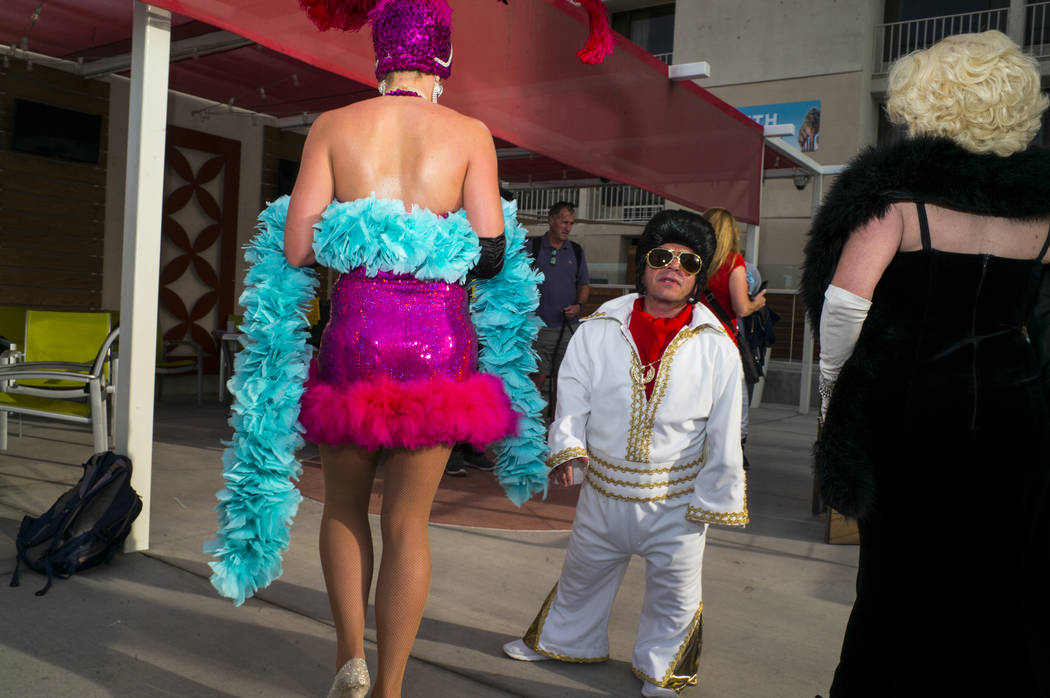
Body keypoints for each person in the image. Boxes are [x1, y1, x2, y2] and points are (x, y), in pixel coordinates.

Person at [204, 2, 549, 697]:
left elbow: (298, 249)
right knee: (407, 524)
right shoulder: (470, 133)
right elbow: (489, 255)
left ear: (380, 56)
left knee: (342, 508)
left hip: (355, 340)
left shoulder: (334, 127)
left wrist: (353, 230)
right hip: (439, 347)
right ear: (442, 60)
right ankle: (391, 689)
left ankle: (349, 662)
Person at [800, 31, 1050, 697]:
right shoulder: (1041, 210)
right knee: (1003, 576)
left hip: (913, 406)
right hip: (1016, 404)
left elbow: (843, 312)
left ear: (932, 104)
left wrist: (834, 412)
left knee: (899, 577)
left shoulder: (896, 201)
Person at [503, 210, 748, 697]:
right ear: (644, 265)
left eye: (687, 260)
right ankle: (563, 639)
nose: (672, 267)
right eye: (661, 256)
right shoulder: (600, 327)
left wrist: (717, 493)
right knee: (581, 575)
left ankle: (662, 670)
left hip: (676, 501)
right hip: (603, 493)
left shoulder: (718, 345)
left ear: (698, 274)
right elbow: (571, 391)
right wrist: (569, 448)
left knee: (675, 595)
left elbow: (728, 425)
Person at [700, 207, 766, 457]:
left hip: (692, 341)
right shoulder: (733, 262)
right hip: (723, 343)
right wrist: (757, 303)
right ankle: (734, 450)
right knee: (734, 399)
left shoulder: (694, 262)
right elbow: (741, 307)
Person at [528, 201, 590, 413]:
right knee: (537, 376)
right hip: (538, 328)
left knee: (563, 380)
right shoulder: (531, 247)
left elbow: (583, 284)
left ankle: (556, 426)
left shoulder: (576, 251)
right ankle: (527, 425)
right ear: (551, 220)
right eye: (564, 222)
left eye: (571, 223)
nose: (568, 227)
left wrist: (578, 305)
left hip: (567, 328)